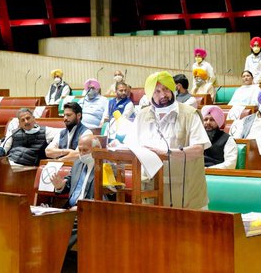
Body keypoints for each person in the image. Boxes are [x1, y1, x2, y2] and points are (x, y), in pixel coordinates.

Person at [123, 71, 211, 209]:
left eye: (165, 89)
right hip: (152, 191)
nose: (163, 95)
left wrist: (167, 152)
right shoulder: (142, 116)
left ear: (173, 89)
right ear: (150, 95)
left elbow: (198, 150)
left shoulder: (189, 114)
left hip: (186, 193)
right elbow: (132, 147)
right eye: (157, 91)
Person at [50, 135, 102, 251]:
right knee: (46, 222)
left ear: (97, 149)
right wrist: (60, 186)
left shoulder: (106, 166)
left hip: (90, 213)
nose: (82, 154)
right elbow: (68, 183)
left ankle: (55, 258)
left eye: (85, 150)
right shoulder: (78, 163)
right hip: (70, 210)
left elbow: (107, 198)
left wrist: (82, 207)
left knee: (64, 228)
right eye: (80, 150)